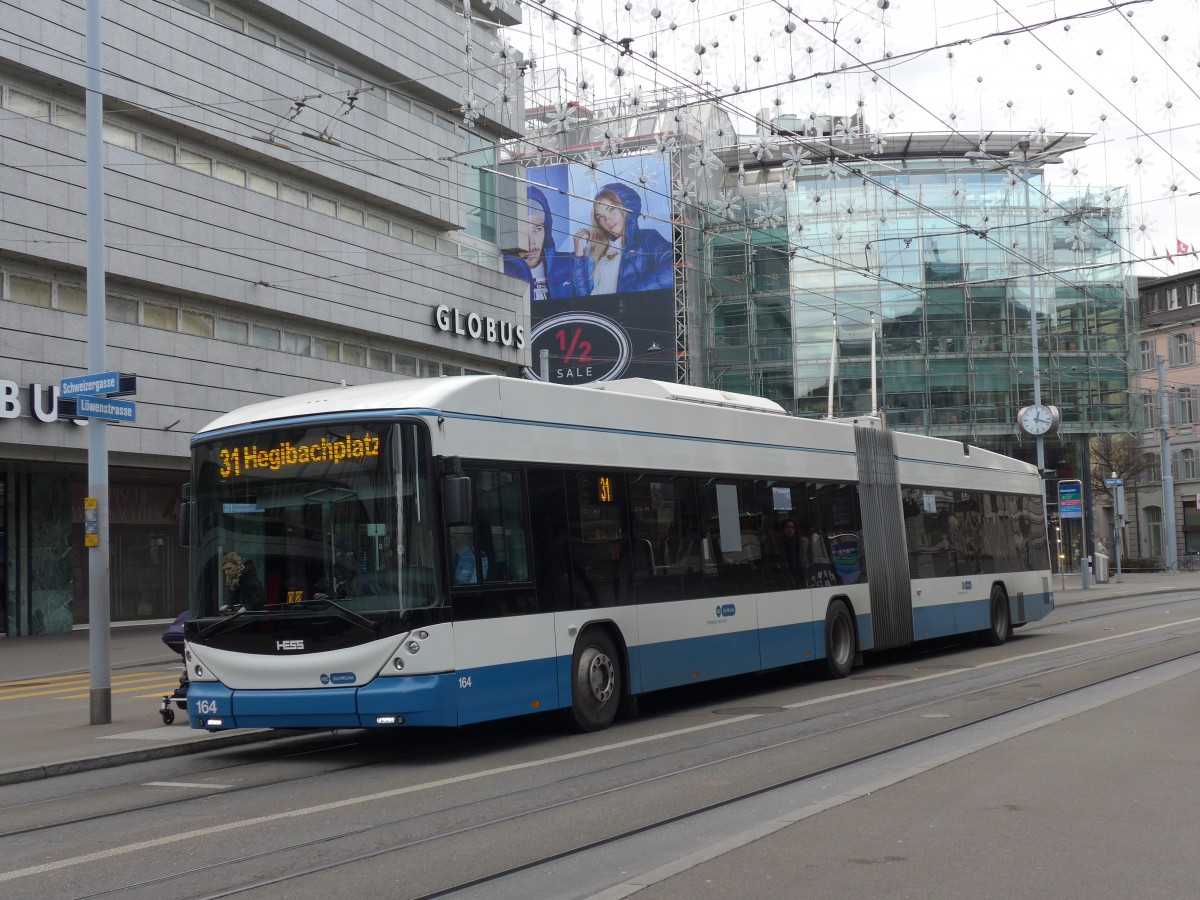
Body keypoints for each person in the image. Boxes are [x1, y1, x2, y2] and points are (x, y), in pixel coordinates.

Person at [572, 183, 673, 295]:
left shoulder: (646, 239)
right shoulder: (598, 251)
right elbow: (584, 299)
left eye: (611, 209)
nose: (607, 220)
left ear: (626, 207)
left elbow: (677, 267)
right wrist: (579, 256)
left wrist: (629, 295)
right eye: (600, 216)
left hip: (626, 306)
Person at [503, 185, 578, 301]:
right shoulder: (501, 271)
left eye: (537, 229)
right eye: (522, 232)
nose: (531, 245)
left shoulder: (569, 265)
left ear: (546, 231)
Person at [779, 518, 808, 588]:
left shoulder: (799, 541)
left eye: (792, 527)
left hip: (798, 570)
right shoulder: (781, 542)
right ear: (783, 529)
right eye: (787, 527)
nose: (790, 530)